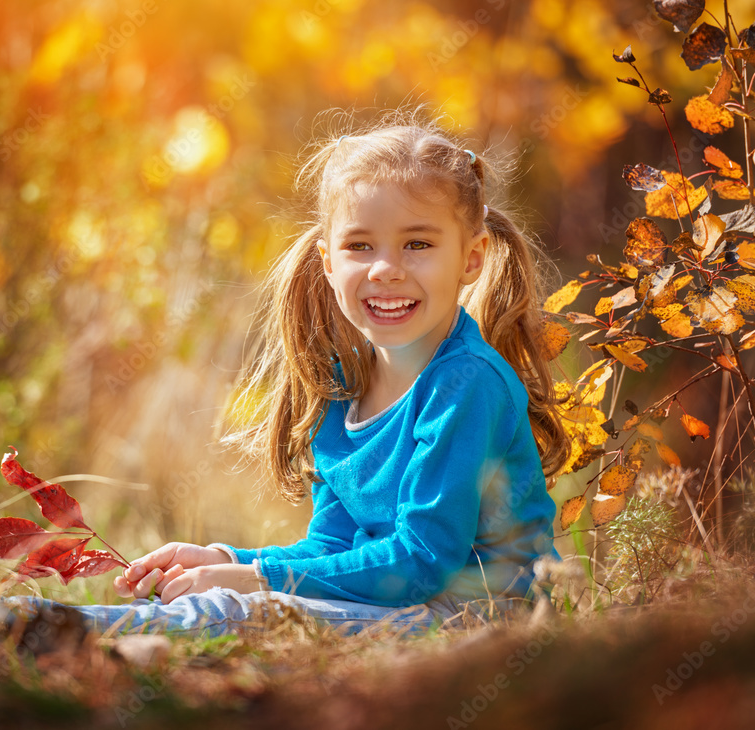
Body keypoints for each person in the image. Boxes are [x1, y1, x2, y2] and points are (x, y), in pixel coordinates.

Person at [56, 111, 569, 635]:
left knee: (246, 611)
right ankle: (54, 625)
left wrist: (254, 578)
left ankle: (68, 633)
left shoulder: (466, 384)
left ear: (471, 258)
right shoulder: (342, 385)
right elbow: (331, 548)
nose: (384, 268)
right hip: (401, 605)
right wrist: (220, 556)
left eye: (418, 244)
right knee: (232, 602)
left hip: (481, 619)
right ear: (327, 261)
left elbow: (422, 562)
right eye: (359, 245)